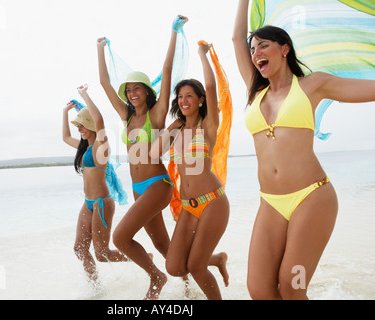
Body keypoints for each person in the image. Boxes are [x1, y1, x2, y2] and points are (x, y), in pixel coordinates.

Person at [232, 0, 375, 300]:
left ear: (284, 48)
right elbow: (236, 39)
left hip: (311, 196)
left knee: (292, 286)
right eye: (253, 49)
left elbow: (369, 90)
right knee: (259, 289)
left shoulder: (313, 85)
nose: (256, 53)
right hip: (270, 202)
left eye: (264, 46)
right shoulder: (255, 91)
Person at [96, 15, 188, 300]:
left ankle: (156, 278)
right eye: (129, 90)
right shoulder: (126, 116)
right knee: (163, 245)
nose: (132, 93)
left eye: (137, 88)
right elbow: (104, 82)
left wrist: (174, 32)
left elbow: (168, 69)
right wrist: (100, 47)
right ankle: (191, 282)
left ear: (147, 91)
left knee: (120, 238)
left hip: (157, 185)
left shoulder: (156, 113)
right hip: (138, 190)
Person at [150, 42, 230, 300]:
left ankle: (209, 267)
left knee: (195, 267)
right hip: (188, 206)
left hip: (212, 203)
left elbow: (211, 87)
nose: (183, 101)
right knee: (174, 267)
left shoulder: (207, 126)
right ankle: (216, 259)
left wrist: (202, 56)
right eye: (180, 97)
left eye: (189, 96)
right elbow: (153, 153)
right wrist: (173, 126)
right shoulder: (177, 131)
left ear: (200, 100)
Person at [62, 84, 128, 284]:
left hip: (101, 202)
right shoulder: (83, 148)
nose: (79, 129)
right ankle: (96, 288)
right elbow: (65, 137)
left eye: (82, 125)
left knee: (101, 253)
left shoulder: (101, 146)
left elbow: (100, 119)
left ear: (90, 125)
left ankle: (140, 259)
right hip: (88, 203)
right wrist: (65, 112)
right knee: (79, 249)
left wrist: (84, 94)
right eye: (78, 126)